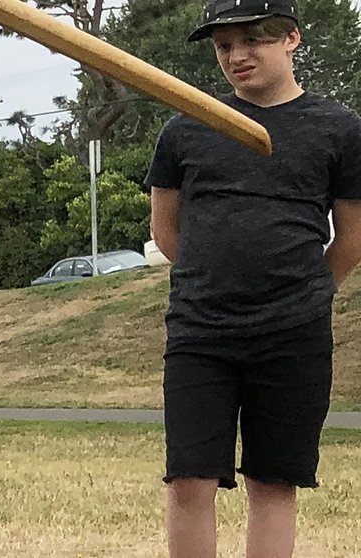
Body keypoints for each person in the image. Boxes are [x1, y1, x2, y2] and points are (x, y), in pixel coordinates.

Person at [146, 2, 361, 557]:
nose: (237, 56)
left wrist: (308, 292)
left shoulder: (339, 128)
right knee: (189, 479)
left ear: (291, 38)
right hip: (200, 331)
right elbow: (168, 231)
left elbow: (354, 234)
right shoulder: (185, 126)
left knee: (274, 481)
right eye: (224, 46)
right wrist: (210, 277)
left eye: (253, 40)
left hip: (294, 333)